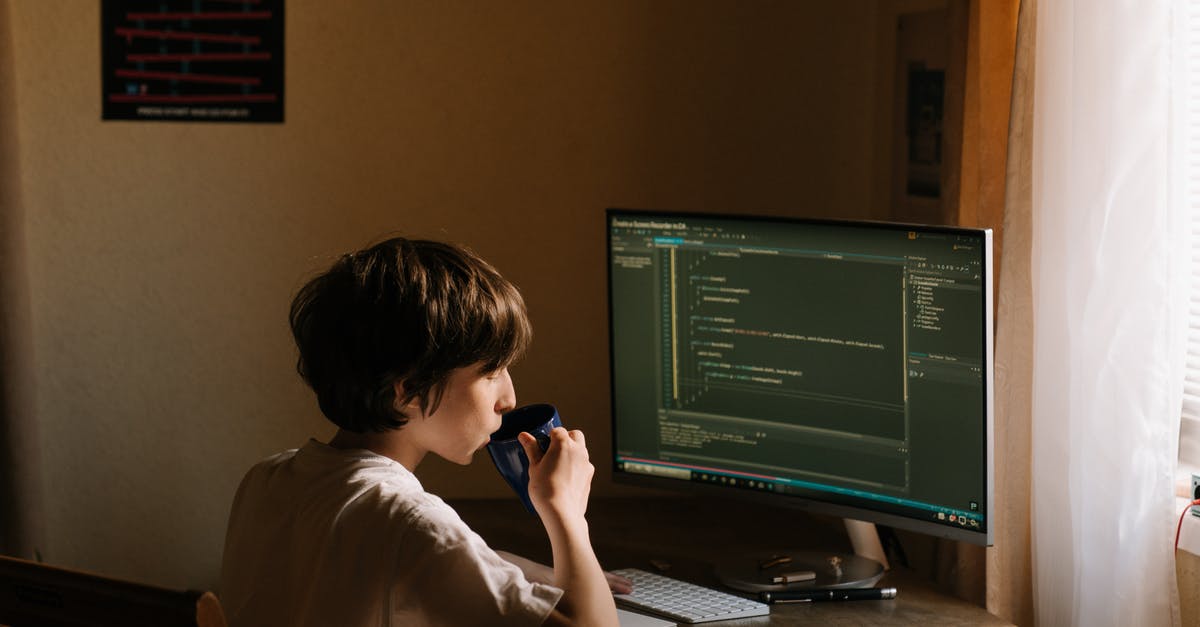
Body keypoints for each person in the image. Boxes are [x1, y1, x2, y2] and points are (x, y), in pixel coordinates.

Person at [220, 237, 623, 626]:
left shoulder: (267, 480)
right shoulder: (412, 525)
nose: (509, 398)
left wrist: (520, 569)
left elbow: (381, 560)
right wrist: (567, 515)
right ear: (409, 390)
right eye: (491, 372)